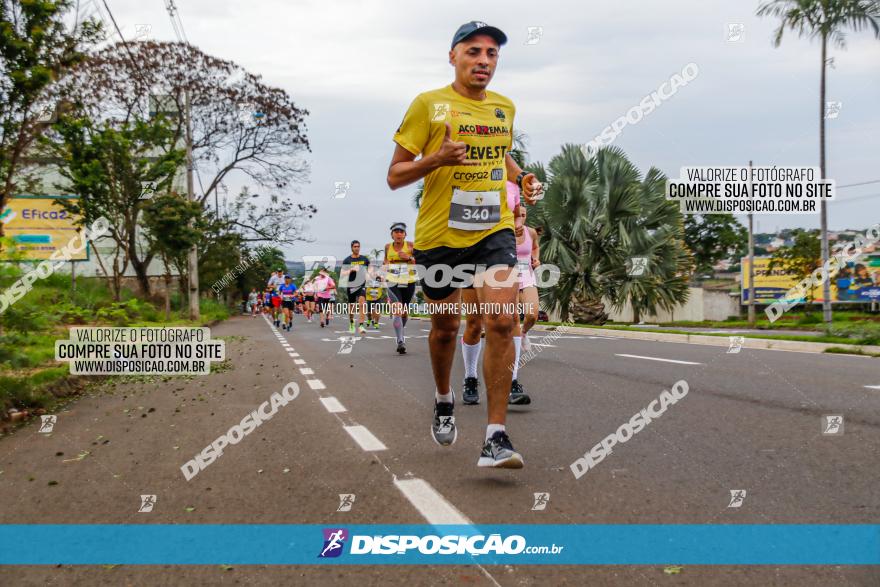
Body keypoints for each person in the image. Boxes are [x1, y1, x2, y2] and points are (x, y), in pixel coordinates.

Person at [386, 21, 543, 468]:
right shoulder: (429, 105)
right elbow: (395, 174)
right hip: (440, 237)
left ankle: (495, 436)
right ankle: (442, 398)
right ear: (453, 56)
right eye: (474, 52)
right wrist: (435, 159)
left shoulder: (503, 108)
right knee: (446, 330)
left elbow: (501, 154)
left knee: (500, 322)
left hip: (493, 232)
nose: (484, 61)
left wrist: (522, 177)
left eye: (492, 54)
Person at [509, 196, 541, 404]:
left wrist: (536, 258)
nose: (521, 217)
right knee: (512, 320)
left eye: (524, 214)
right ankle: (511, 380)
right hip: (508, 278)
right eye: (518, 214)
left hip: (527, 277)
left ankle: (524, 333)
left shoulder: (530, 233)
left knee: (533, 314)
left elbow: (535, 247)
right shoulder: (504, 232)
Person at [384, 222, 418, 354]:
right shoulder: (388, 247)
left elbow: (420, 260)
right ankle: (400, 341)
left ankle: (400, 334)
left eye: (401, 232)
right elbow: (386, 260)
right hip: (393, 281)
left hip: (409, 282)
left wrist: (409, 257)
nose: (399, 234)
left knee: (404, 312)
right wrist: (386, 265)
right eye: (396, 231)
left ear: (405, 234)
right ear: (392, 234)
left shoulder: (410, 246)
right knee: (398, 308)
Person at [342, 240, 369, 334]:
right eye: (355, 246)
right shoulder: (347, 260)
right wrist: (352, 269)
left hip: (362, 285)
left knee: (362, 303)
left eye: (358, 246)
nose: (357, 248)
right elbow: (343, 273)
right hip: (351, 285)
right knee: (352, 306)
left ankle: (361, 326)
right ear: (352, 248)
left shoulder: (365, 259)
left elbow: (369, 270)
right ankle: (351, 322)